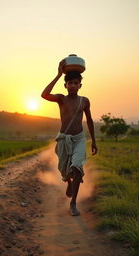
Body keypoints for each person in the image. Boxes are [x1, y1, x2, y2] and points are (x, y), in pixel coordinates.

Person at [41, 59, 98, 216]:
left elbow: (90, 121)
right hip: (64, 139)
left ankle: (73, 203)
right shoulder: (61, 99)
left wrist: (93, 141)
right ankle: (68, 181)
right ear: (65, 85)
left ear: (80, 85)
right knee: (65, 170)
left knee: (77, 166)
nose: (72, 85)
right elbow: (44, 94)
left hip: (79, 138)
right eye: (70, 83)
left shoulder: (84, 101)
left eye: (75, 83)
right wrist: (59, 74)